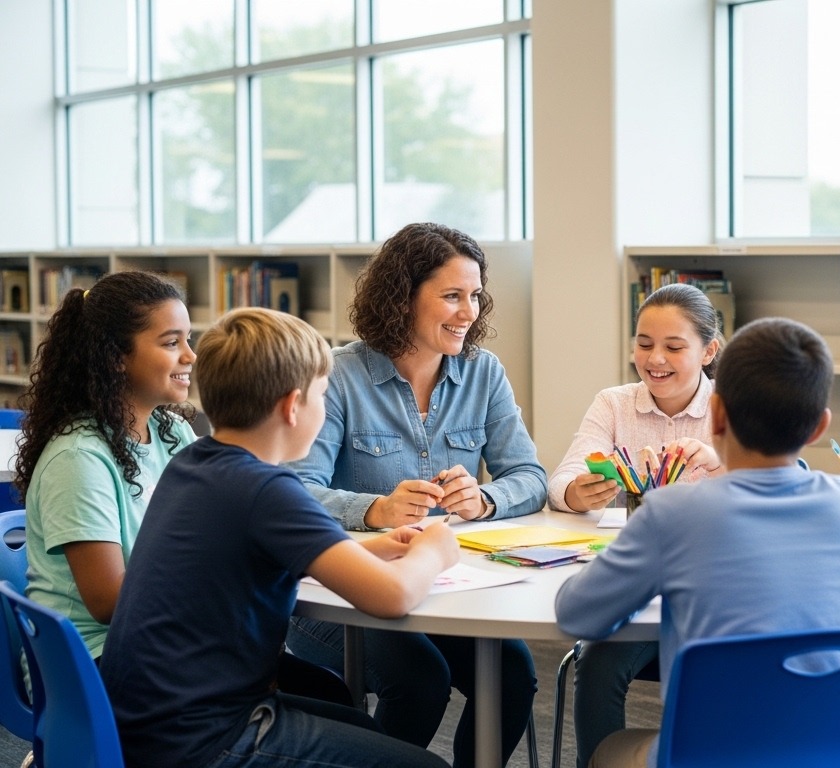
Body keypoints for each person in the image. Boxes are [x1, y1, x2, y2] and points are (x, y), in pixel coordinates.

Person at [101, 307, 456, 767]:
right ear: (292, 407)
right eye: (322, 396)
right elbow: (392, 597)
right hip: (203, 736)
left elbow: (261, 554)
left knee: (365, 729)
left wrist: (377, 546)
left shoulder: (196, 462)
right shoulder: (267, 490)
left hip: (143, 722)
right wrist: (433, 550)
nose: (324, 409)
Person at [556, 317, 840, 768]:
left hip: (709, 752)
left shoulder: (671, 512)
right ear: (820, 427)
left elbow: (577, 613)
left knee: (608, 752)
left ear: (717, 415)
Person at [284, 222, 545, 766]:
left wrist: (485, 498)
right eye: (452, 296)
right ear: (402, 297)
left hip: (443, 586)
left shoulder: (483, 373)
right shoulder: (339, 376)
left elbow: (529, 475)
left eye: (475, 295)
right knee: (420, 680)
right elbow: (295, 493)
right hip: (338, 594)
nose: (468, 312)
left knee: (514, 674)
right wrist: (375, 509)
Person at [548, 282, 724, 768]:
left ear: (708, 351)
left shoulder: (730, 407)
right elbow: (561, 479)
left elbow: (770, 483)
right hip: (634, 586)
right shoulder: (615, 403)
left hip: (710, 593)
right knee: (598, 659)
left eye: (674, 347)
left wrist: (720, 464)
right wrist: (576, 492)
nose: (655, 359)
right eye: (644, 344)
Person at [14, 270, 198, 661]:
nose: (190, 355)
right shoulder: (78, 457)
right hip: (97, 659)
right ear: (116, 358)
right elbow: (109, 601)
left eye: (188, 339)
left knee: (306, 680)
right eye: (172, 342)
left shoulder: (174, 431)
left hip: (163, 637)